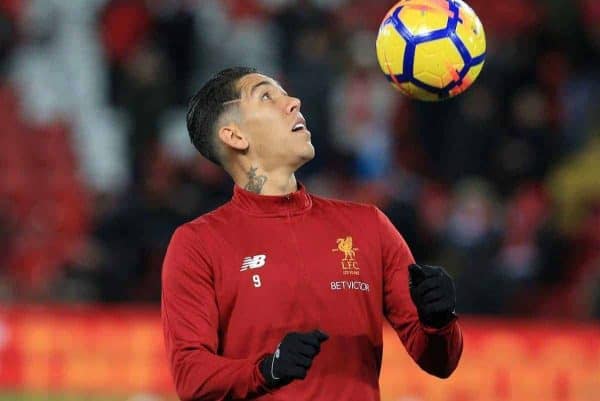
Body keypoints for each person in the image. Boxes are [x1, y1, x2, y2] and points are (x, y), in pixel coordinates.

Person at [161, 67, 463, 401]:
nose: (293, 101)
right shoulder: (198, 244)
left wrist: (439, 320)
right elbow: (192, 378)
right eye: (266, 96)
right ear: (235, 136)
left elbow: (440, 361)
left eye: (284, 92)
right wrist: (267, 370)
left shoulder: (368, 226)